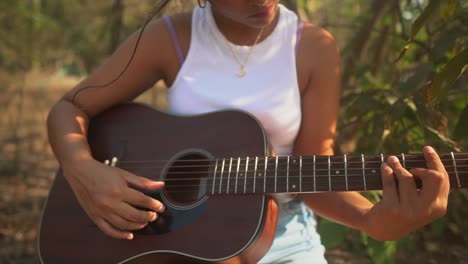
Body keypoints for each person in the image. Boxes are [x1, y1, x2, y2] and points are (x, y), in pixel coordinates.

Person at [46, 0, 450, 263]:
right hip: (176, 243)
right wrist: (84, 171)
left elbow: (315, 171)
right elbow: (71, 108)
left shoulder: (312, 47)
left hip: (285, 235)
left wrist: (373, 220)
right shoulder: (170, 38)